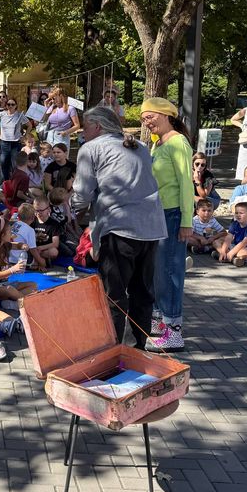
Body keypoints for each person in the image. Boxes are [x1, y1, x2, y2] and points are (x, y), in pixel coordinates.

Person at [71, 106, 167, 349]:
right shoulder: (139, 146)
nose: (82, 131)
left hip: (119, 227)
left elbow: (82, 193)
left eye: (85, 126)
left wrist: (69, 208)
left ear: (97, 126)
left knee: (113, 294)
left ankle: (112, 350)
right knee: (142, 292)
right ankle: (138, 348)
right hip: (150, 227)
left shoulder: (91, 148)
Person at [141, 97, 193, 352]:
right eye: (143, 119)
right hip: (157, 214)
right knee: (157, 271)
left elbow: (186, 182)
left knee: (171, 271)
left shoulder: (177, 142)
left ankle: (174, 331)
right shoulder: (158, 143)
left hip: (172, 214)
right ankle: (160, 321)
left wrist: (186, 221)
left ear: (166, 115)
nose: (146, 122)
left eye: (149, 117)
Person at [0, 215, 37, 304]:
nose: (12, 233)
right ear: (2, 235)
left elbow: (16, 245)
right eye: (10, 231)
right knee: (10, 290)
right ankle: (25, 303)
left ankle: (13, 303)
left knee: (33, 285)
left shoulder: (4, 245)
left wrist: (22, 245)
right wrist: (12, 270)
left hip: (5, 284)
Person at [0, 95, 29, 181]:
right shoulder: (1, 114)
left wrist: (25, 136)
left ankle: (15, 183)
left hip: (15, 143)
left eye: (12, 104)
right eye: (8, 104)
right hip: (4, 142)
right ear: (6, 105)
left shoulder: (19, 115)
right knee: (3, 164)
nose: (10, 106)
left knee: (15, 165)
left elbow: (29, 125)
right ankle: (4, 184)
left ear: (16, 105)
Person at [215, 201, 247, 266]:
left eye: (241, 213)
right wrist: (223, 251)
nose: (238, 215)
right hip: (235, 246)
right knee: (216, 242)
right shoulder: (234, 223)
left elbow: (244, 242)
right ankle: (226, 256)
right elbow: (228, 238)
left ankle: (227, 256)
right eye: (236, 213)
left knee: (244, 252)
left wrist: (232, 252)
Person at [41, 87, 81, 158]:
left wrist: (66, 132)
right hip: (50, 137)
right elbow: (43, 120)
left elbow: (77, 125)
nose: (53, 100)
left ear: (61, 96)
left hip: (62, 137)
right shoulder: (52, 107)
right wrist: (46, 107)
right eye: (51, 98)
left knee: (61, 160)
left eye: (54, 98)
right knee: (49, 161)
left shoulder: (70, 109)